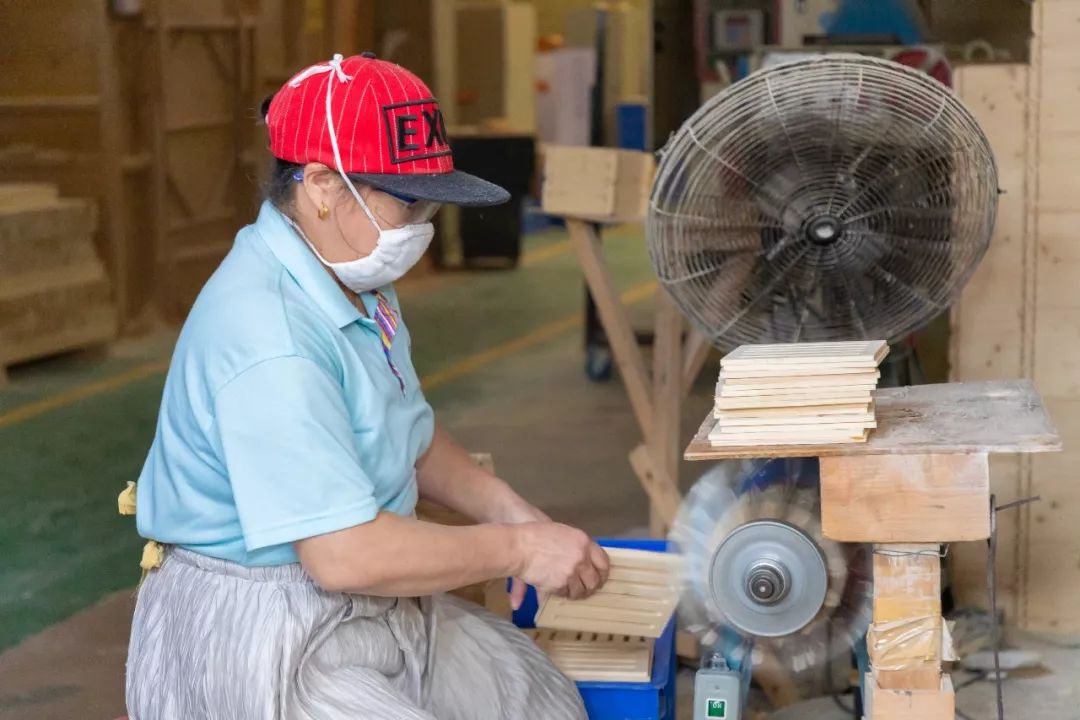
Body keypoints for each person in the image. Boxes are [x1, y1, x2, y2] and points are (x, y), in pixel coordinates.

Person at [123, 52, 609, 720]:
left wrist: (509, 511)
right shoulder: (271, 337)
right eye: (406, 203)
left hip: (362, 600)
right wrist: (520, 550)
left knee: (541, 699)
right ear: (322, 184)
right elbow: (345, 554)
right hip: (264, 625)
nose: (420, 227)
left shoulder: (352, 280)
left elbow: (403, 426)